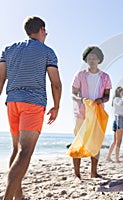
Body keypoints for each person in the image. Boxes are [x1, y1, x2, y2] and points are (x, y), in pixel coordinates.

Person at [0, 16, 62, 200]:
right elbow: (56, 83)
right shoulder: (47, 51)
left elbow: (1, 79)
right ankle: (8, 197)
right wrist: (56, 106)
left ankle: (18, 195)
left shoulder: (8, 50)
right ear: (42, 30)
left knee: (16, 149)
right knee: (25, 151)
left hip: (12, 102)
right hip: (33, 103)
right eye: (46, 33)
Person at [71, 46, 112, 179]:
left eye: (94, 58)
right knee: (79, 141)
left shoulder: (105, 77)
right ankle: (77, 174)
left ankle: (93, 172)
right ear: (86, 60)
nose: (92, 60)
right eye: (89, 58)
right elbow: (73, 95)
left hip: (97, 114)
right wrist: (82, 100)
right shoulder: (80, 75)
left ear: (99, 59)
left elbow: (107, 96)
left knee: (96, 142)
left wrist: (101, 100)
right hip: (81, 113)